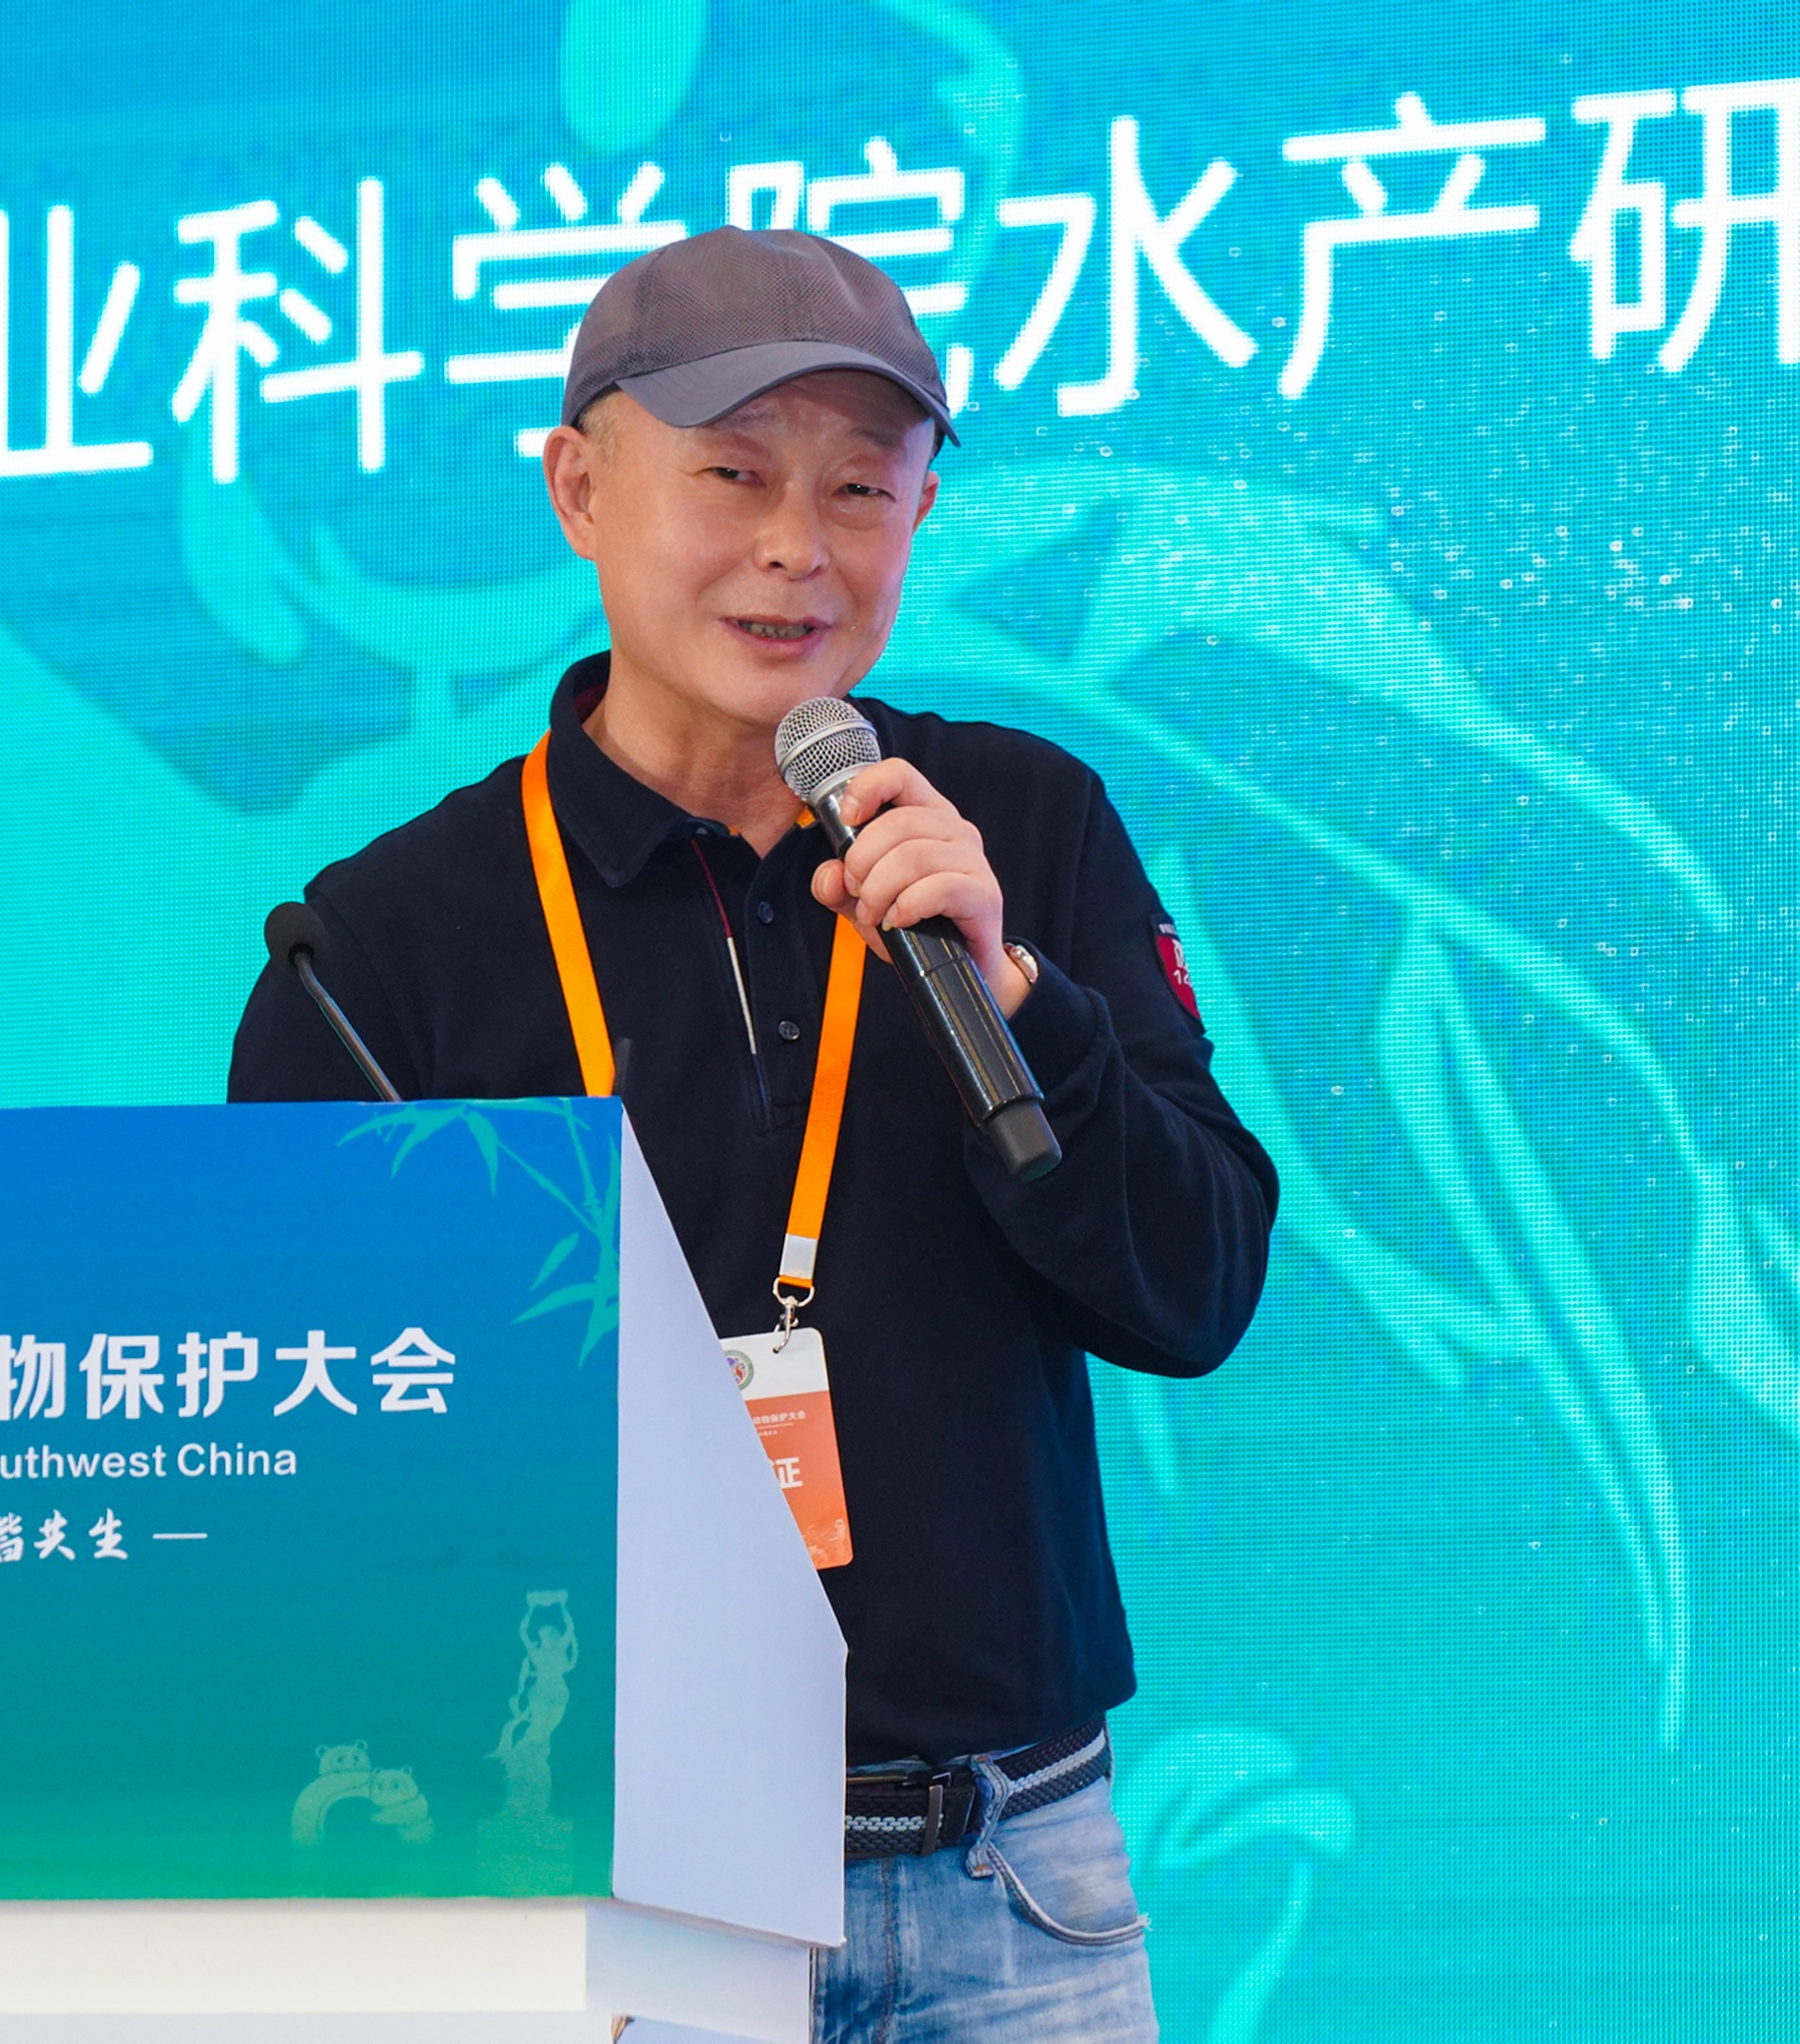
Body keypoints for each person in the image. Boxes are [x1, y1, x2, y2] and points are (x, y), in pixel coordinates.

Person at [227, 226, 1279, 2042]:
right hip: (611, 1896)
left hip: (1013, 1877)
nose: (799, 545)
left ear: (921, 513)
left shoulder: (1018, 823)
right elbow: (307, 1449)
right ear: (579, 489)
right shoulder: (387, 941)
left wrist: (1019, 996)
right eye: (732, 474)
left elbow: (1194, 1291)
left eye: (861, 487)